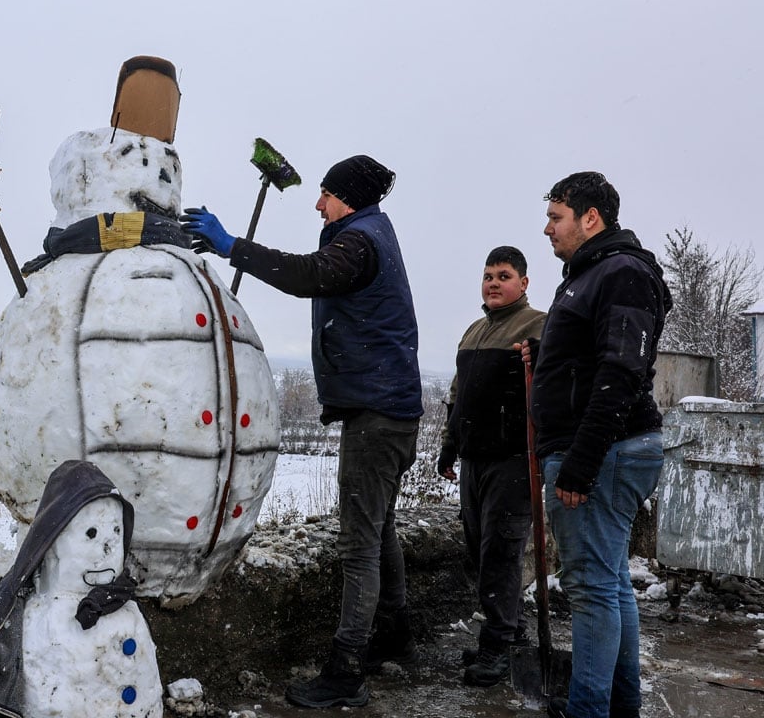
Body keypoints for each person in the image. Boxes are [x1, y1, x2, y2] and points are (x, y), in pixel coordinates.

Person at [181, 154, 421, 709]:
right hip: (391, 409)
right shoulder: (371, 233)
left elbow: (309, 275)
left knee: (358, 545)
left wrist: (231, 246)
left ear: (349, 198)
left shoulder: (360, 241)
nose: (318, 204)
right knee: (378, 528)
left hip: (377, 413)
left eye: (326, 195)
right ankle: (395, 632)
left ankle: (346, 671)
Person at [526, 172, 671, 718]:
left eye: (556, 217)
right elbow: (593, 362)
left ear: (592, 218)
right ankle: (619, 705)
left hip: (605, 451)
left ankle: (590, 709)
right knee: (609, 584)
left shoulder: (620, 273)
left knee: (590, 591)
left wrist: (581, 463)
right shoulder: (591, 275)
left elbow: (620, 371)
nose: (547, 229)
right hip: (607, 448)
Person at [437, 246, 545, 687]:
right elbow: (458, 394)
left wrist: (538, 357)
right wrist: (448, 446)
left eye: (504, 275)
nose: (494, 283)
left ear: (523, 282)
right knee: (479, 549)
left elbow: (553, 382)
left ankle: (497, 647)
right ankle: (511, 630)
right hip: (474, 459)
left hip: (514, 460)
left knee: (500, 553)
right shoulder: (474, 330)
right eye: (488, 276)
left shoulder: (537, 326)